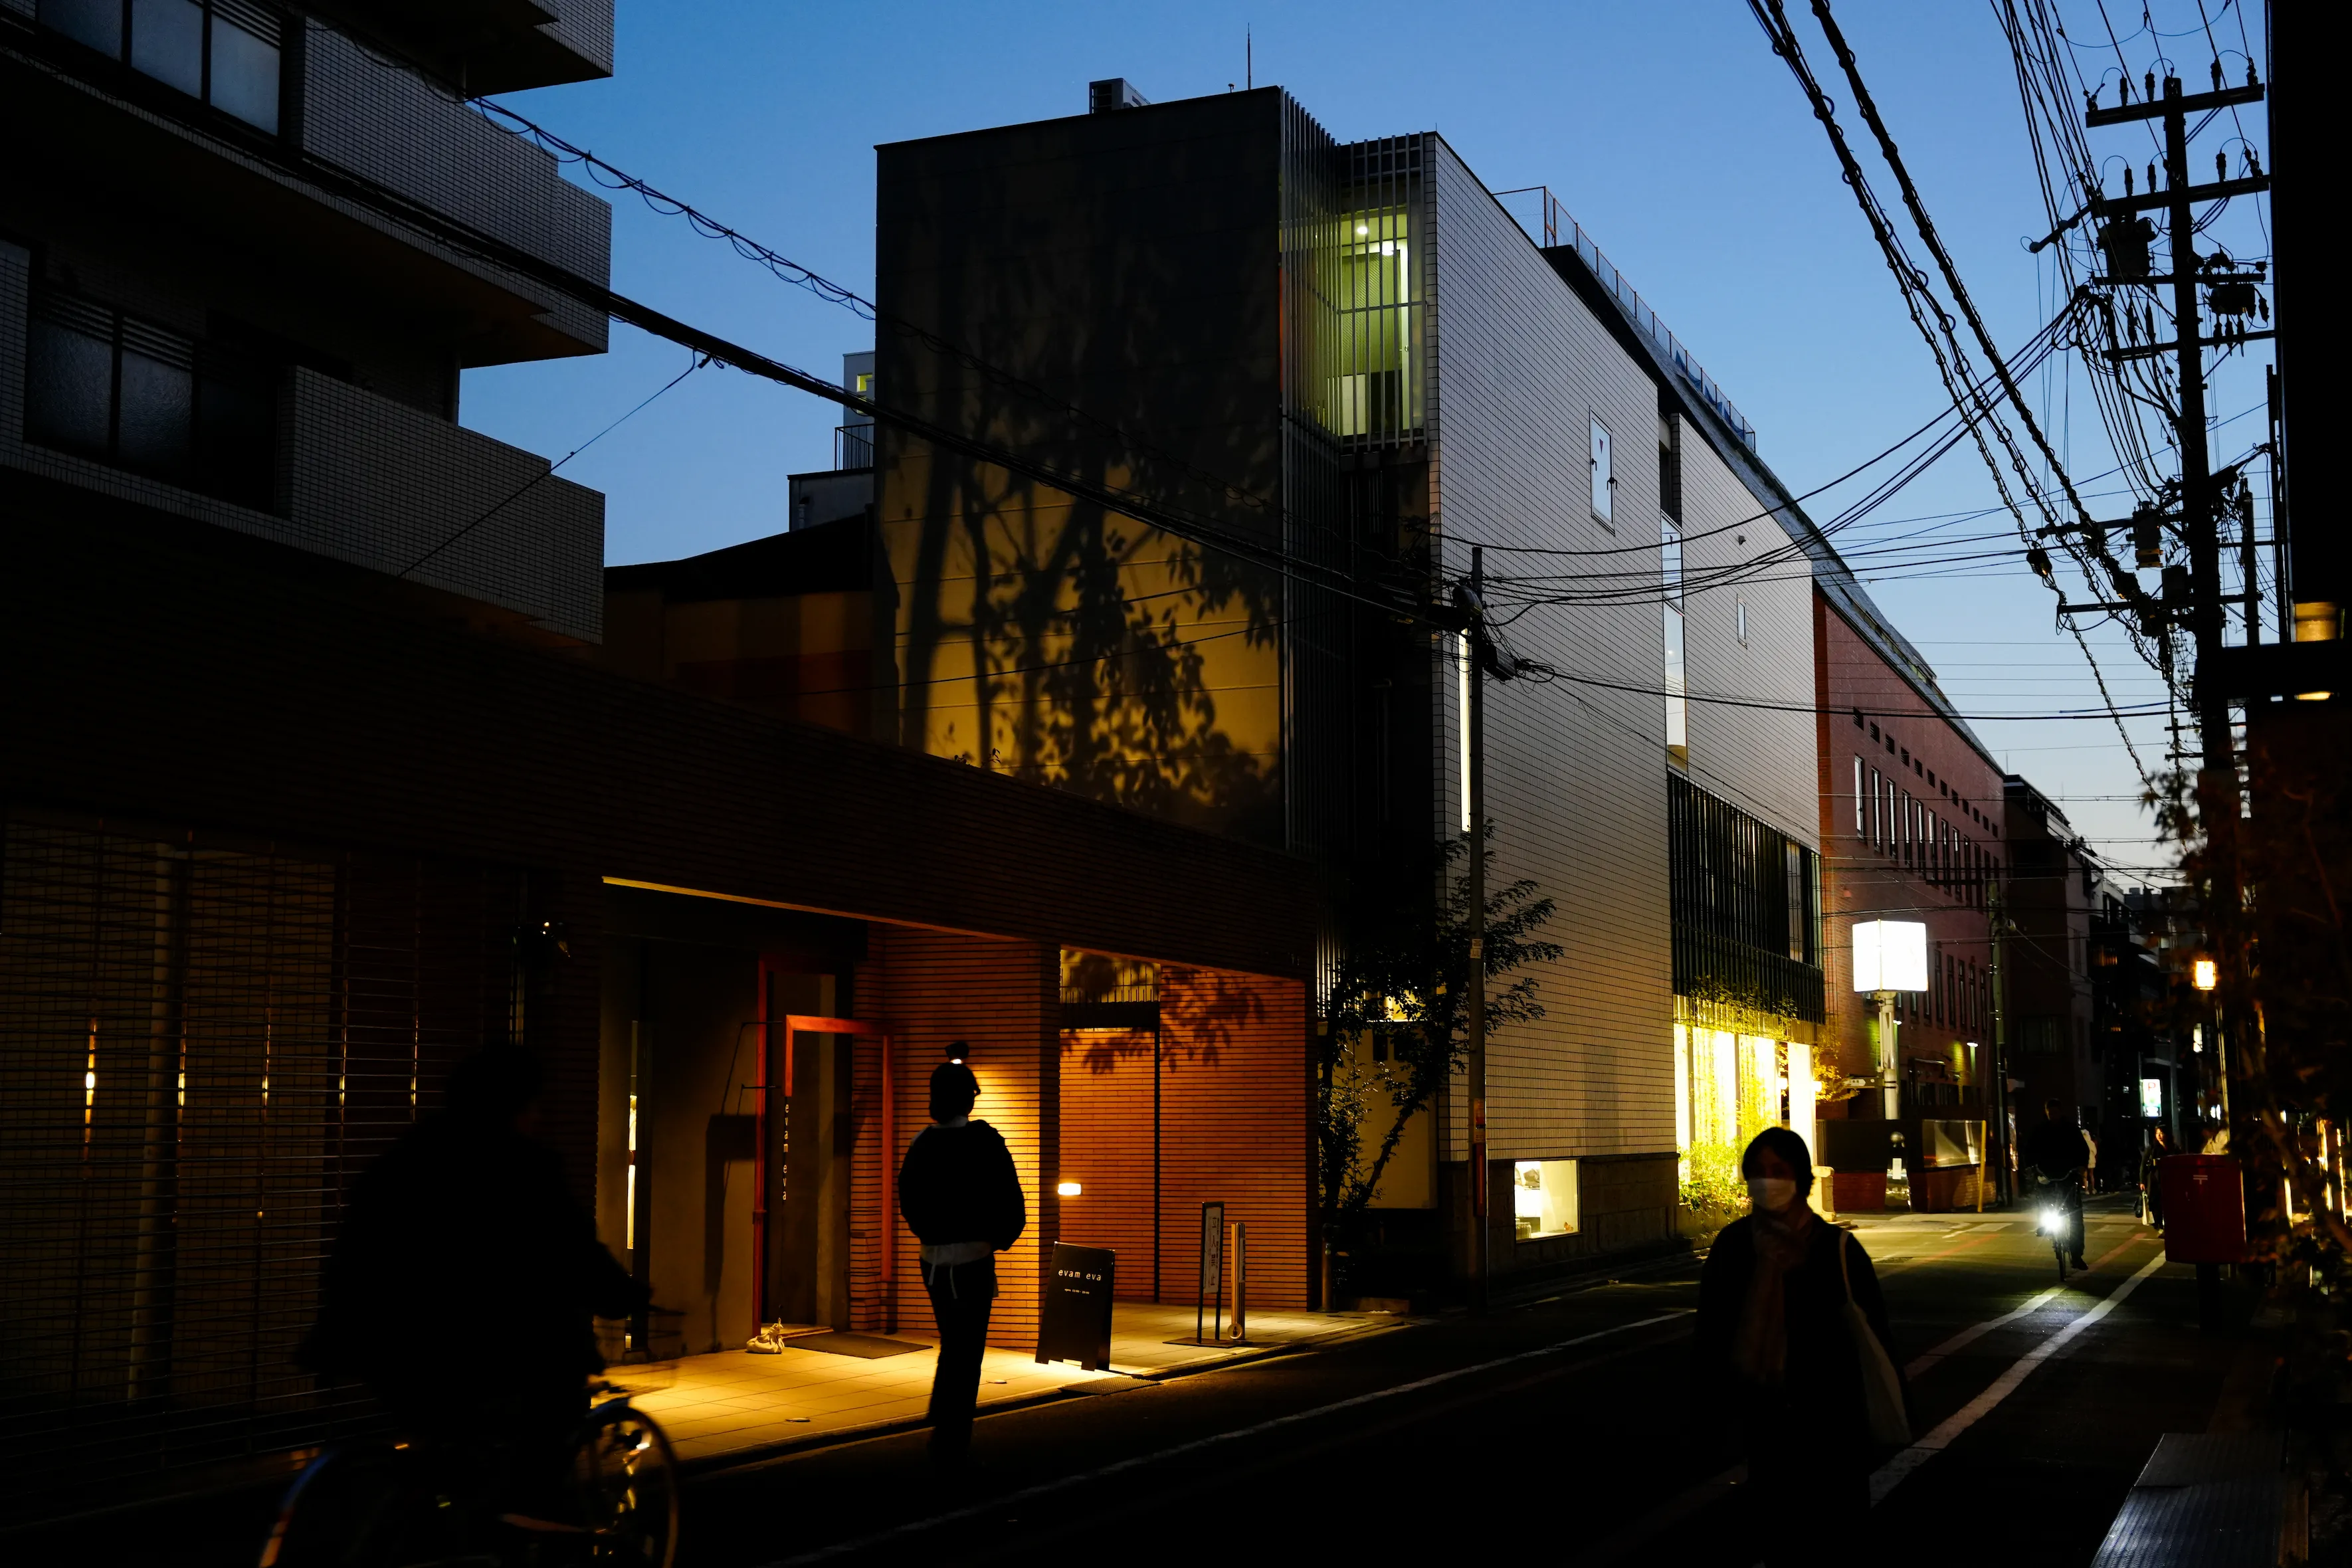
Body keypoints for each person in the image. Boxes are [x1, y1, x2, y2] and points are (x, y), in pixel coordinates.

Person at [308, 1045, 647, 1522]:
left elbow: (354, 1250)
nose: (538, 1117)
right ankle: (524, 1522)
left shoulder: (404, 1159)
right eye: (533, 1105)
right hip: (483, 1348)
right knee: (548, 1417)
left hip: (388, 1345)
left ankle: (444, 1514)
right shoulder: (524, 1167)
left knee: (445, 1447)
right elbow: (572, 1250)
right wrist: (625, 1296)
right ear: (515, 1106)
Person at [1696, 1127, 1901, 1563]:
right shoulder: (1733, 1246)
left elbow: (1876, 1336)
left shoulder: (1837, 1249)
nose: (1766, 1181)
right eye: (1757, 1172)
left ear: (1801, 1178)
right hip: (1765, 1421)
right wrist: (1713, 1412)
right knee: (1776, 1534)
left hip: (1833, 1424)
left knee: (1835, 1535)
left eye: (1778, 1170)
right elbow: (1711, 1332)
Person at [898, 1057, 1025, 1470]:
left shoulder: (921, 1145)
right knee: (967, 1348)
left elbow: (909, 1201)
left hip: (933, 1260)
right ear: (968, 1098)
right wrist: (998, 1239)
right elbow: (1011, 1199)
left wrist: (930, 1233)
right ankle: (953, 1435)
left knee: (954, 1340)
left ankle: (943, 1423)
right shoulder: (986, 1142)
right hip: (975, 1258)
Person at [2020, 1098, 2090, 1270]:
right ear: (2046, 1113)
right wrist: (2031, 1168)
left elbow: (2083, 1149)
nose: (2053, 1115)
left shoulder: (2071, 1129)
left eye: (2055, 1112)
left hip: (2068, 1175)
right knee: (2043, 1201)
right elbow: (2029, 1151)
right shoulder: (2040, 1130)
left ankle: (2077, 1256)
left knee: (2075, 1215)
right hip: (2047, 1174)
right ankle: (2045, 1224)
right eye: (2050, 1113)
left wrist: (2081, 1167)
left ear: (2061, 1112)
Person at [2139, 1125, 2171, 1230]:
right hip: (2154, 1179)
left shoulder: (2172, 1147)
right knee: (2155, 1202)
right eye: (2157, 1133)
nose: (2159, 1136)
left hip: (2168, 1179)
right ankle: (2159, 1224)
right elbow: (2143, 1165)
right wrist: (2142, 1181)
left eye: (2161, 1133)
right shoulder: (2152, 1148)